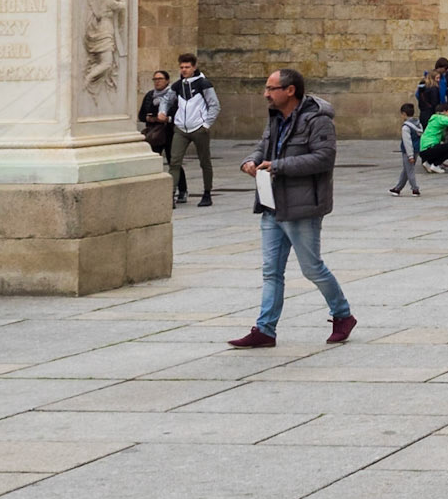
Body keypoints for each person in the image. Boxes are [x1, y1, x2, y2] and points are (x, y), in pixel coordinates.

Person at [231, 66, 355, 350]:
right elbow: (263, 147)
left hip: (302, 205)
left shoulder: (318, 120)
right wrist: (249, 161)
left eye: (270, 89)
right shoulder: (276, 118)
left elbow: (324, 158)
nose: (266, 95)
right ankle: (265, 330)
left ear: (290, 90)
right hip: (272, 202)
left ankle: (343, 315)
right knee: (271, 271)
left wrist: (278, 166)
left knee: (312, 268)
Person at [168, 52, 219, 207]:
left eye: (187, 67)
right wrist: (163, 112)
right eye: (182, 67)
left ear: (194, 67)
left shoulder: (203, 84)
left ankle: (207, 193)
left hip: (199, 128)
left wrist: (206, 124)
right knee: (174, 161)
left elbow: (214, 105)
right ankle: (171, 194)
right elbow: (167, 100)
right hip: (181, 128)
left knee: (204, 161)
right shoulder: (177, 85)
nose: (184, 70)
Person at [138, 68, 175, 173]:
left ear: (167, 80)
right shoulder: (150, 95)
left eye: (160, 79)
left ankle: (181, 188)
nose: (157, 81)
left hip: (169, 132)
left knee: (173, 162)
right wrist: (150, 118)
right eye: (155, 79)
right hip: (154, 133)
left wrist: (166, 119)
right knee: (152, 161)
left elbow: (177, 114)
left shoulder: (173, 96)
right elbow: (141, 115)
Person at [391, 102, 423, 196]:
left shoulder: (406, 127)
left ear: (404, 114)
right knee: (406, 170)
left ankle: (415, 189)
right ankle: (398, 188)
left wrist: (410, 155)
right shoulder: (418, 124)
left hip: (408, 152)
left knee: (410, 170)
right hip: (416, 149)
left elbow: (407, 142)